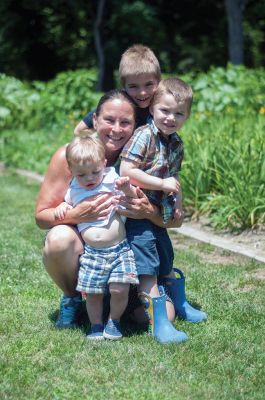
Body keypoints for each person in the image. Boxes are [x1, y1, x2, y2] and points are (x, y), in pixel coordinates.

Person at [35, 89, 187, 344]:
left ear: (134, 125)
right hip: (91, 247)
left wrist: (147, 211)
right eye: (109, 120)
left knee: (158, 317)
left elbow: (176, 220)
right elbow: (41, 217)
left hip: (127, 254)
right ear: (94, 120)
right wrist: (76, 213)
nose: (116, 129)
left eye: (125, 122)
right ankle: (74, 297)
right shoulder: (72, 157)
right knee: (58, 238)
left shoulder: (143, 157)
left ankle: (144, 296)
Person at [120, 77, 207, 324]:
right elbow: (127, 170)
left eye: (179, 113)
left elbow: (174, 176)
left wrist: (177, 203)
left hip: (158, 211)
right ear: (152, 109)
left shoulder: (176, 142)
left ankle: (178, 302)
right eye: (165, 110)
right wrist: (160, 184)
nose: (170, 118)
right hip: (137, 210)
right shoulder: (144, 135)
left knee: (165, 254)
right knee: (146, 257)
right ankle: (157, 317)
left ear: (186, 117)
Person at [54, 135, 139, 340]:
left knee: (120, 289)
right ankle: (95, 325)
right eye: (82, 174)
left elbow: (132, 197)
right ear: (71, 171)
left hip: (119, 249)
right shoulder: (73, 189)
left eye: (95, 172)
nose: (90, 178)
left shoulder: (111, 178)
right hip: (92, 253)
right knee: (93, 293)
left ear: (104, 164)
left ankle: (114, 321)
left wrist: (127, 188)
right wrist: (63, 206)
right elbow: (67, 205)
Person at [74, 44, 160, 135]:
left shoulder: (163, 103)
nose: (142, 93)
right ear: (123, 86)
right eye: (133, 86)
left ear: (158, 81)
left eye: (149, 84)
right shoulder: (118, 103)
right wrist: (107, 137)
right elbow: (79, 131)